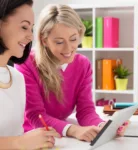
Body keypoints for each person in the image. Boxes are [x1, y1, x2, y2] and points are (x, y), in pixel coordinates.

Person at [15, 4, 127, 143]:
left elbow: (85, 110)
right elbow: (35, 116)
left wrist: (103, 126)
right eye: (59, 42)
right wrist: (74, 130)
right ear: (44, 41)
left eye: (73, 39)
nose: (68, 48)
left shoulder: (83, 64)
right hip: (34, 136)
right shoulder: (26, 63)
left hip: (63, 134)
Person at [0, 0, 61, 150]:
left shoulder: (17, 78)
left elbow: (14, 134)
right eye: (24, 27)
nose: (30, 37)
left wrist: (35, 139)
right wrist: (20, 142)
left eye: (31, 29)